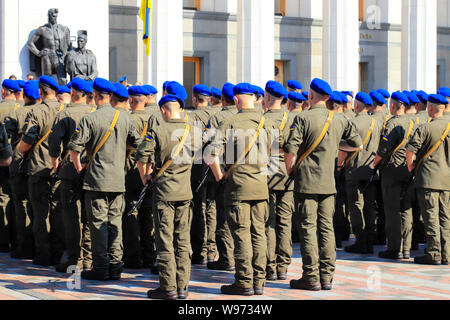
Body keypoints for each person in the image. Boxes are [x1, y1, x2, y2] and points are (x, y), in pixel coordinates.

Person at [284, 78, 362, 291]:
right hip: (329, 182)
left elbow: (290, 149)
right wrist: (337, 148)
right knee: (326, 228)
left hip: (307, 182)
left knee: (308, 228)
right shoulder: (339, 120)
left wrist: (290, 169)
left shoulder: (302, 118)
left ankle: (311, 276)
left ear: (310, 95)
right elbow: (358, 144)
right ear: (328, 97)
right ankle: (327, 276)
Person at [68, 78, 142, 281]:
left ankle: (101, 266)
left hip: (96, 180)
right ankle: (116, 265)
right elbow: (138, 144)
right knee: (115, 222)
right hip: (118, 180)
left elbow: (75, 148)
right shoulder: (124, 117)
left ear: (94, 94)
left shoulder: (90, 119)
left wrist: (79, 167)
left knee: (98, 224)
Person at [206, 83, 276, 296]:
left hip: (237, 187)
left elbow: (210, 154)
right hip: (261, 187)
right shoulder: (267, 123)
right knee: (259, 234)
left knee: (241, 234)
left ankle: (244, 282)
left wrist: (219, 175)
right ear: (254, 99)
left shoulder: (229, 122)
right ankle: (259, 282)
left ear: (236, 99)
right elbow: (274, 156)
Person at [136, 93, 194, 300]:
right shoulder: (193, 131)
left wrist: (145, 177)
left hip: (164, 193)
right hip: (185, 193)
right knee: (182, 240)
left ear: (163, 110)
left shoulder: (157, 131)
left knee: (165, 240)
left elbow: (141, 155)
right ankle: (183, 287)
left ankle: (168, 286)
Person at [19, 75, 66, 266]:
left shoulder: (36, 111)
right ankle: (58, 252)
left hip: (39, 168)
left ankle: (43, 254)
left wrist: (22, 151)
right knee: (57, 211)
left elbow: (28, 139)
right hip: (59, 168)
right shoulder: (65, 110)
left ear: (40, 91)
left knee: (40, 212)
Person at [48, 78, 94, 273]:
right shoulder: (94, 113)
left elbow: (53, 143)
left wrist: (55, 162)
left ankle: (76, 258)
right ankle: (89, 257)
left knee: (71, 216)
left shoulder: (64, 113)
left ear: (74, 92)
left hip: (70, 171)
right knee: (90, 216)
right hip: (91, 171)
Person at [406, 94, 450, 266]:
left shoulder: (425, 128)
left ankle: (434, 253)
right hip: (446, 180)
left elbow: (410, 150)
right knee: (446, 217)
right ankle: (446, 253)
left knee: (431, 217)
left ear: (430, 108)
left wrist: (411, 166)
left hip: (428, 179)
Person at [374, 91, 416, 260]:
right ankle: (406, 247)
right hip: (407, 169)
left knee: (392, 210)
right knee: (406, 209)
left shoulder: (392, 124)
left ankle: (394, 248)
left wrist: (374, 164)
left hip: (391, 171)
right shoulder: (413, 122)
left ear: (392, 105)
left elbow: (383, 150)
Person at [342, 92, 382, 254]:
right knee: (370, 206)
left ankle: (360, 240)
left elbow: (344, 145)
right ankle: (370, 239)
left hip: (355, 168)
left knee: (356, 205)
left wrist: (339, 163)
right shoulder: (377, 122)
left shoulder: (353, 122)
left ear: (357, 106)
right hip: (371, 169)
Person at [4, 81, 40, 259]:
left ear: (24, 95)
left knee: (21, 205)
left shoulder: (15, 114)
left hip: (18, 164)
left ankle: (24, 246)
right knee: (39, 207)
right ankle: (38, 245)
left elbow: (5, 139)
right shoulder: (46, 112)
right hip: (39, 165)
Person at [262, 81, 293, 281]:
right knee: (285, 221)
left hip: (267, 173)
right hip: (288, 174)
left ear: (266, 97)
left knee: (267, 222)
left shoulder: (261, 120)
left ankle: (270, 266)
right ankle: (283, 266)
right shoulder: (293, 119)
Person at [122, 86, 156, 271]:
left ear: (131, 100)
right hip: (149, 172)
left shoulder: (128, 119)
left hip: (131, 171)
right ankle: (149, 255)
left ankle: (134, 256)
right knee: (147, 215)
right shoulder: (155, 119)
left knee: (130, 215)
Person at [205, 83, 237, 272]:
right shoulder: (246, 117)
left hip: (223, 172)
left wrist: (217, 174)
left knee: (223, 217)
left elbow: (209, 147)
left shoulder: (217, 118)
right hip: (245, 174)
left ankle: (226, 258)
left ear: (223, 99)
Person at [189, 84, 215, 265]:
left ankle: (199, 251)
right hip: (215, 169)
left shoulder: (191, 117)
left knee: (198, 210)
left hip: (197, 169)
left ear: (194, 99)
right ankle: (211, 250)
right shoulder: (217, 115)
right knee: (211, 210)